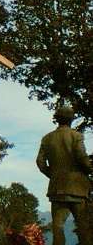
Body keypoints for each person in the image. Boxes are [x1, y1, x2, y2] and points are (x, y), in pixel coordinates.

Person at [36, 105, 93, 245]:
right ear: (72, 119)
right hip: (78, 190)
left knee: (58, 227)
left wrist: (54, 175)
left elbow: (40, 162)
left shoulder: (47, 139)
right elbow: (82, 157)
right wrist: (89, 169)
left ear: (57, 119)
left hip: (57, 190)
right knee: (84, 228)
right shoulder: (76, 136)